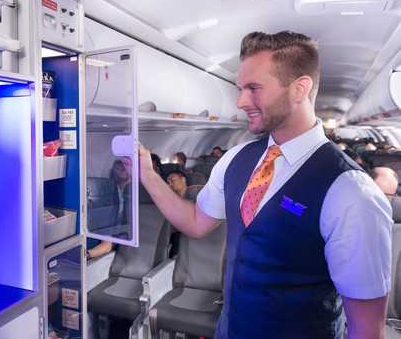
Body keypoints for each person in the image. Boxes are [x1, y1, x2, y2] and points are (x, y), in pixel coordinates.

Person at [123, 31, 392, 338]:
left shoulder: (350, 191)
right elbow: (196, 223)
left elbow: (367, 328)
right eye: (241, 89)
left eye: (254, 88)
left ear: (299, 89)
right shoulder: (236, 159)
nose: (240, 101)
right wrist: (147, 174)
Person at [166, 171, 189, 258]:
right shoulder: (170, 199)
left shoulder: (194, 196)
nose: (170, 184)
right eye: (168, 182)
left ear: (183, 180)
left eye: (172, 180)